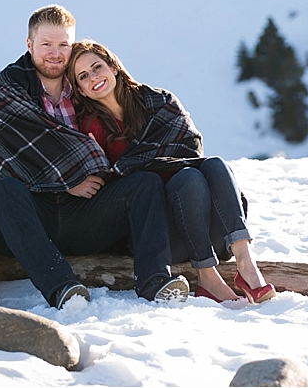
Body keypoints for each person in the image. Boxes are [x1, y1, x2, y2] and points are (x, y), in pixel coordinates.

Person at [0, 5, 189, 308]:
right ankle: (63, 288)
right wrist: (65, 180)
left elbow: (120, 129)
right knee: (1, 192)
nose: (55, 53)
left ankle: (155, 281)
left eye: (63, 45)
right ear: (29, 45)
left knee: (144, 184)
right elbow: (3, 158)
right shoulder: (5, 88)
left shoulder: (83, 88)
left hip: (85, 213)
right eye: (46, 45)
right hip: (29, 215)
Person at [68, 39, 275, 304]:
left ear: (114, 67)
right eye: (83, 76)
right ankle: (208, 277)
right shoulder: (92, 127)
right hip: (159, 235)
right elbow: (112, 182)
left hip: (200, 221)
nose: (93, 77)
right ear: (81, 90)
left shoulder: (159, 101)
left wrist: (144, 162)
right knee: (189, 177)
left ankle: (246, 262)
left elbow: (190, 148)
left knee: (213, 164)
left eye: (97, 67)